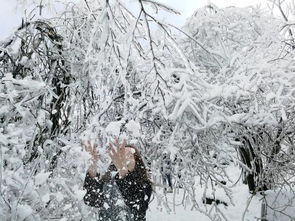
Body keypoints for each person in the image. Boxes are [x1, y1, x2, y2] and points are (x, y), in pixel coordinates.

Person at [83, 139, 152, 221]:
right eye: (122, 156)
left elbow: (136, 208)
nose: (124, 159)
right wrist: (93, 166)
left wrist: (123, 171)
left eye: (129, 156)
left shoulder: (144, 185)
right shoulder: (109, 182)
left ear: (137, 162)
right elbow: (92, 200)